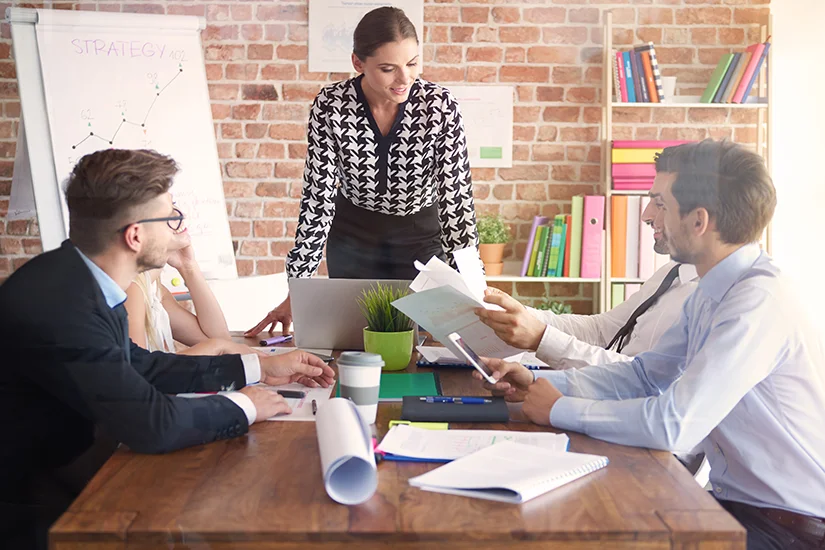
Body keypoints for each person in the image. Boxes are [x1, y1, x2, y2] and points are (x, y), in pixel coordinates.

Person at [477, 140, 825, 549]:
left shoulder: (756, 303)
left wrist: (559, 409)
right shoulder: (710, 287)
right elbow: (646, 374)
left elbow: (673, 424)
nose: (646, 215)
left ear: (699, 220)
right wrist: (543, 384)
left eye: (659, 203)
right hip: (737, 506)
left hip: (790, 530)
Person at [0, 149, 335, 549]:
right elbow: (151, 424)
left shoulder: (76, 278)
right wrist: (248, 406)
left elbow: (143, 366)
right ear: (135, 235)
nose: (178, 229)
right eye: (171, 217)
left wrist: (259, 368)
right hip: (36, 508)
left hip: (69, 475)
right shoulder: (62, 304)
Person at [246, 6, 478, 337]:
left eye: (412, 64)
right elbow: (318, 201)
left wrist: (472, 285)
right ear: (359, 63)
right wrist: (297, 291)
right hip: (354, 238)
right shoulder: (331, 105)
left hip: (421, 240)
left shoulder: (439, 107)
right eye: (388, 69)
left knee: (429, 342)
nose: (404, 79)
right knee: (353, 341)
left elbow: (456, 204)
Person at [476, 215, 698, 371]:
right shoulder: (672, 272)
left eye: (661, 204)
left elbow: (644, 378)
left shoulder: (706, 297)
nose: (646, 215)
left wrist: (541, 338)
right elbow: (603, 331)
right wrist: (518, 314)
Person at [124, 216, 245, 356]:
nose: (180, 216)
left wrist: (189, 267)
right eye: (169, 212)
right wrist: (216, 347)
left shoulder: (155, 289)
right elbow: (139, 368)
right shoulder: (132, 289)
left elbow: (221, 339)